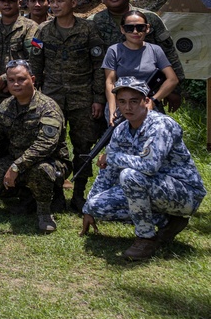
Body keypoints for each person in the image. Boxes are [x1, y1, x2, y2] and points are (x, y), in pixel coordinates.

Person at [81, 76, 206, 261]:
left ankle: (145, 239)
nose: (127, 107)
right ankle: (168, 221)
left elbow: (149, 166)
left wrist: (113, 157)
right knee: (96, 205)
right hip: (150, 189)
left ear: (146, 101)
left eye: (134, 101)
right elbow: (107, 171)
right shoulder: (121, 130)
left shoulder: (161, 125)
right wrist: (88, 208)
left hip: (184, 192)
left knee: (130, 176)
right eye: (122, 102)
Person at [30, 0, 105, 213]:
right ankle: (57, 194)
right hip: (52, 99)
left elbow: (99, 66)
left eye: (60, 1)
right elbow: (35, 65)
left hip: (82, 99)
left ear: (73, 3)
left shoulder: (88, 30)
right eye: (52, 1)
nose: (54, 5)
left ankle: (80, 195)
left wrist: (99, 98)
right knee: (53, 145)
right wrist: (36, 98)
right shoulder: (43, 30)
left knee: (83, 147)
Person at [0, 59, 71, 233]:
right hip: (15, 160)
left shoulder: (48, 107)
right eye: (11, 80)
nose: (16, 84)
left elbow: (45, 145)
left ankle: (44, 213)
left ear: (32, 80)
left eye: (21, 79)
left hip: (49, 162)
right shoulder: (6, 106)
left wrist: (16, 166)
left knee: (41, 170)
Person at [90, 0, 185, 111]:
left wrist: (175, 90)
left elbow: (169, 53)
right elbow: (91, 62)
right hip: (109, 94)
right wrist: (97, 97)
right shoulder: (93, 23)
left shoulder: (149, 19)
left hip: (148, 93)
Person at [101, 9, 179, 123]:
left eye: (140, 27)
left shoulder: (155, 50)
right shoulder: (114, 51)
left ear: (147, 28)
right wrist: (112, 108)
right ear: (122, 29)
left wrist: (153, 100)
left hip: (147, 105)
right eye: (129, 28)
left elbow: (172, 79)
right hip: (123, 107)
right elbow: (110, 82)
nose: (135, 31)